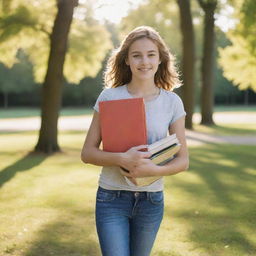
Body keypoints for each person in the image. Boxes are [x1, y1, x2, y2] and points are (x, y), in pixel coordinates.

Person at [81, 26, 189, 256]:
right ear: (127, 60)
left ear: (160, 59)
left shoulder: (172, 102)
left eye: (151, 54)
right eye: (136, 55)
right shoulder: (109, 97)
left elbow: (183, 160)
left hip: (151, 201)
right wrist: (123, 158)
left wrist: (154, 169)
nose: (144, 61)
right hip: (112, 198)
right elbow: (88, 153)